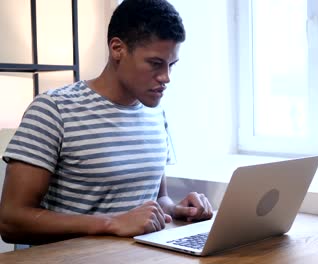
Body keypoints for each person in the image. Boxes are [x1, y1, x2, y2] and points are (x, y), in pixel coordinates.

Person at [0, 0, 212, 245]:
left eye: (171, 65)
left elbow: (158, 199)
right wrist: (111, 223)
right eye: (155, 64)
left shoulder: (156, 114)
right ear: (117, 49)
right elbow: (10, 221)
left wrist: (177, 210)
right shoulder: (53, 109)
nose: (166, 77)